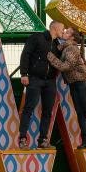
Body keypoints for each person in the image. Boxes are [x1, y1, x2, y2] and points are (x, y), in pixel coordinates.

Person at [18, 20, 65, 149]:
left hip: (50, 81)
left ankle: (43, 140)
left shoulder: (57, 45)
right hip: (34, 79)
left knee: (48, 111)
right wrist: (24, 74)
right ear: (55, 28)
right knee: (29, 108)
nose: (63, 32)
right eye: (62, 29)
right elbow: (25, 54)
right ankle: (22, 139)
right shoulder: (37, 37)